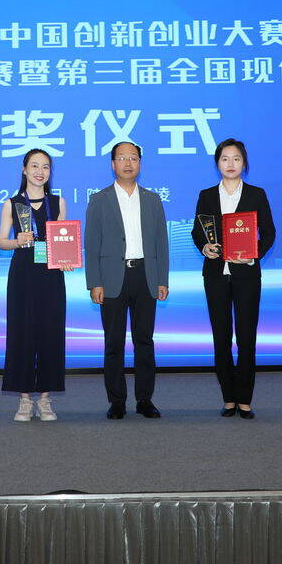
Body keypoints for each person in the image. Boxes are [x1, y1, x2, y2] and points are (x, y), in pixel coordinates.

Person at [191, 138, 276, 419]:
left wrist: (253, 254)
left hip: (246, 275)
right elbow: (197, 231)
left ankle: (245, 399)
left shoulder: (256, 194)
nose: (231, 164)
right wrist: (205, 247)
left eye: (236, 159)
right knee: (221, 337)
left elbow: (269, 233)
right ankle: (228, 397)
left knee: (247, 337)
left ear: (244, 163)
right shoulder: (206, 195)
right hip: (216, 275)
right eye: (225, 158)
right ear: (217, 163)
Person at [84, 141, 169, 419]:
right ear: (113, 164)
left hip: (145, 275)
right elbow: (91, 245)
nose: (128, 163)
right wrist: (94, 282)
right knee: (114, 343)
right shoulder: (99, 199)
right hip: (112, 278)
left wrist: (162, 279)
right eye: (122, 158)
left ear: (140, 163)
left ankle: (145, 399)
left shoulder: (153, 200)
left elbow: (161, 243)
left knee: (144, 340)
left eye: (133, 157)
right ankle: (117, 401)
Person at [0, 148, 71, 421]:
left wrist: (67, 258)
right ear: (24, 170)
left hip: (51, 275)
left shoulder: (58, 202)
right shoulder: (12, 203)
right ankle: (25, 399)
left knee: (51, 333)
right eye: (35, 166)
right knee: (22, 333)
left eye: (46, 167)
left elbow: (64, 239)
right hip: (23, 275)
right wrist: (17, 241)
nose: (40, 171)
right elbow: (1, 241)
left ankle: (46, 399)